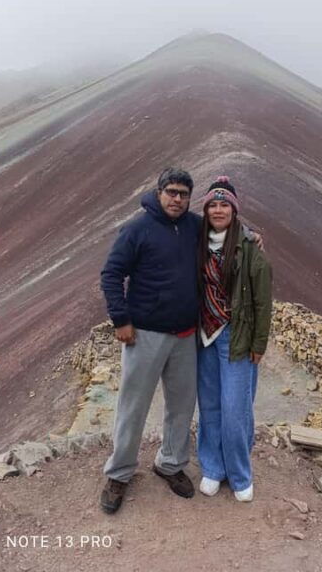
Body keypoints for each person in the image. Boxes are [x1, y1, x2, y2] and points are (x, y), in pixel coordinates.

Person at [99, 167, 201, 514]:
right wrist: (121, 319)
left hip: (186, 335)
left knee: (182, 405)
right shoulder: (138, 229)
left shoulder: (193, 226)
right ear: (159, 192)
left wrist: (251, 235)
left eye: (183, 194)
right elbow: (111, 273)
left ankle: (170, 463)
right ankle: (119, 473)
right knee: (133, 406)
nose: (177, 199)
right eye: (171, 192)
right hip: (145, 335)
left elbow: (226, 231)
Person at [196, 176, 273, 502]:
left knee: (235, 408)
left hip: (236, 335)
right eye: (213, 204)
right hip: (204, 335)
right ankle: (213, 468)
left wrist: (259, 343)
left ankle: (240, 474)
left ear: (234, 209)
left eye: (224, 204)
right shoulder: (196, 241)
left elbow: (262, 301)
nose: (217, 209)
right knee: (210, 406)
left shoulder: (250, 247)